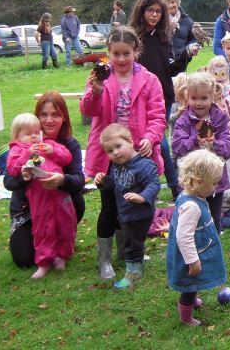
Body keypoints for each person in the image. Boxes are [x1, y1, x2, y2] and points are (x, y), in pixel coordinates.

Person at [80, 26, 166, 279]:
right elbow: (88, 109)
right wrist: (95, 92)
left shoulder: (149, 80)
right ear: (108, 52)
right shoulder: (101, 77)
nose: (120, 59)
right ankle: (104, 259)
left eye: (126, 53)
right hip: (108, 155)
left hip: (136, 156)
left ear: (136, 52)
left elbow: (158, 115)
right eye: (115, 53)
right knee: (110, 205)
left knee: (131, 205)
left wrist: (150, 138)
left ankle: (126, 250)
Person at [5, 92, 86, 269]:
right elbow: (8, 181)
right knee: (24, 260)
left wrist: (62, 180)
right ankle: (42, 242)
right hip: (27, 207)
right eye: (43, 114)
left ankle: (60, 244)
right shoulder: (23, 142)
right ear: (36, 117)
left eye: (55, 114)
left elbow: (79, 180)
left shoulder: (68, 144)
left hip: (59, 202)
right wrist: (24, 177)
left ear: (64, 117)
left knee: (75, 199)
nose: (49, 120)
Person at [130, 0, 188, 198]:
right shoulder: (134, 38)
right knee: (151, 143)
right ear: (142, 11)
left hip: (163, 96)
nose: (154, 15)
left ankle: (174, 187)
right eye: (150, 11)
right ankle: (147, 184)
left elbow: (169, 70)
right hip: (138, 97)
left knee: (159, 142)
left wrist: (186, 56)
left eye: (157, 12)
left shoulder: (164, 37)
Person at [94, 124, 160, 289]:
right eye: (110, 151)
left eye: (118, 146)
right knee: (132, 241)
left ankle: (133, 274)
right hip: (125, 212)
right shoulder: (118, 165)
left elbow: (154, 184)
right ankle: (135, 265)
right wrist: (104, 181)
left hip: (140, 214)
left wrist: (142, 197)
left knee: (133, 244)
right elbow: (118, 184)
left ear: (130, 141)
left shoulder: (145, 165)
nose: (115, 153)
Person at [166, 149, 227, 327]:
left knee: (194, 281)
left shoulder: (189, 195)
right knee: (189, 285)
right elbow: (184, 237)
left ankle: (192, 300)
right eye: (214, 183)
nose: (216, 187)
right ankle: (187, 318)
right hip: (191, 252)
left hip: (199, 247)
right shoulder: (192, 206)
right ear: (199, 182)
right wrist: (193, 260)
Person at [171, 72, 230, 231]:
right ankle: (190, 245)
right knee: (190, 218)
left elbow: (229, 146)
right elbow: (177, 146)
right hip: (192, 179)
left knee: (214, 218)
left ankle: (214, 244)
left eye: (204, 98)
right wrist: (194, 141)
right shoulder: (183, 120)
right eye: (194, 98)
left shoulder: (220, 118)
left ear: (212, 96)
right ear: (187, 97)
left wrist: (215, 144)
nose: (198, 103)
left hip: (215, 180)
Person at [163, 0, 197, 70]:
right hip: (163, 61)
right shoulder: (160, 20)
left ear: (178, 3)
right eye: (167, 3)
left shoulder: (187, 20)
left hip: (181, 62)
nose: (171, 5)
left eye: (173, 2)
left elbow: (193, 38)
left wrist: (187, 50)